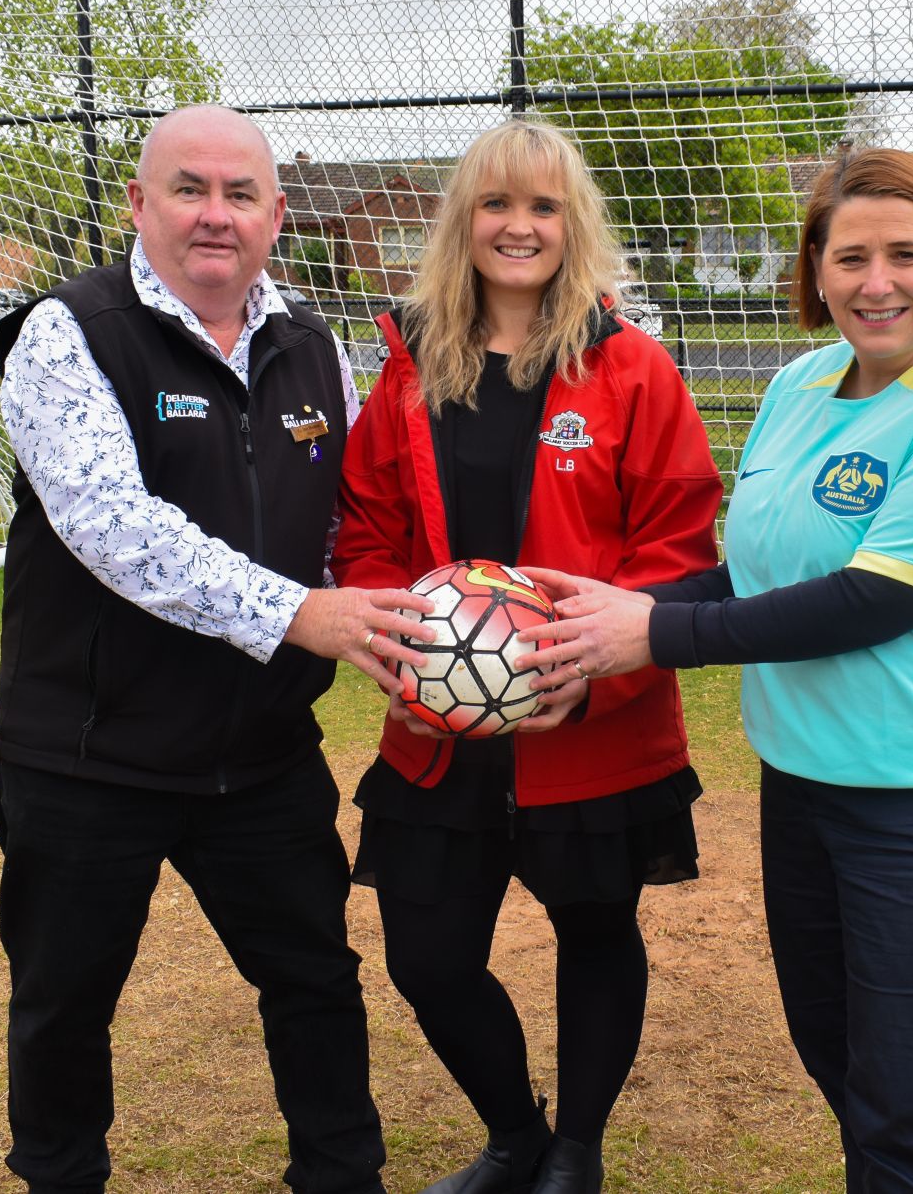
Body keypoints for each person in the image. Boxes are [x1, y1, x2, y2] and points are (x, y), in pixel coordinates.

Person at [517, 148, 913, 1193]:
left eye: (904, 253)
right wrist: (601, 617)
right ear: (814, 270)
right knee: (839, 1061)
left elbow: (877, 597)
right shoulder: (799, 385)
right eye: (847, 255)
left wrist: (653, 637)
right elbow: (750, 572)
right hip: (805, 784)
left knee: (906, 1107)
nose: (875, 280)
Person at [0, 105, 437, 1194]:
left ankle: (341, 1176)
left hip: (262, 755)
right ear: (138, 204)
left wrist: (401, 616)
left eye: (240, 195)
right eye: (188, 189)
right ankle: (59, 1177)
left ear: (276, 216)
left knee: (316, 982)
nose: (214, 215)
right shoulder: (66, 333)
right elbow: (111, 524)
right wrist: (303, 614)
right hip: (88, 757)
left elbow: (344, 525)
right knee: (64, 1003)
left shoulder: (313, 347)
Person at [331, 118, 723, 1194]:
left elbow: (677, 548)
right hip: (439, 732)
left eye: (542, 206)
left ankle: (578, 1151)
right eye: (496, 204)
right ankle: (514, 1133)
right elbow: (365, 530)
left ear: (572, 225)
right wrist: (393, 654)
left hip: (590, 728)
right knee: (426, 954)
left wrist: (594, 666)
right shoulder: (410, 369)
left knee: (594, 930)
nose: (518, 225)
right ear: (464, 222)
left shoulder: (630, 368)